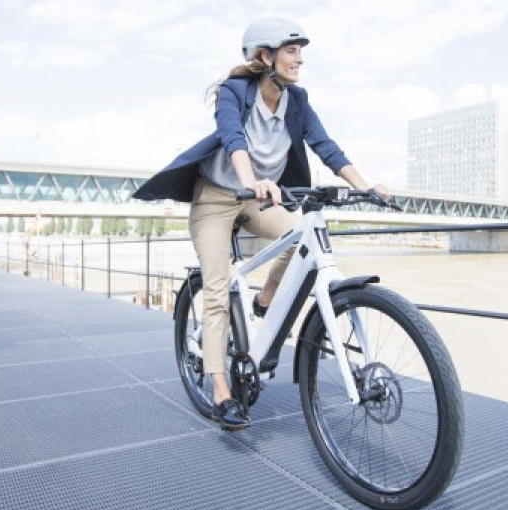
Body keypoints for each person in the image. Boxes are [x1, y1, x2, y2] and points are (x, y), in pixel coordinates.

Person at [133, 17, 388, 430]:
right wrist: (252, 181)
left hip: (260, 196)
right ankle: (221, 392)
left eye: (300, 52)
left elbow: (327, 147)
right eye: (291, 51)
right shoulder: (234, 93)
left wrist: (366, 186)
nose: (299, 59)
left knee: (298, 237)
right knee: (216, 289)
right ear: (265, 56)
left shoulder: (298, 102)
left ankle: (264, 299)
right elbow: (233, 138)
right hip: (218, 196)